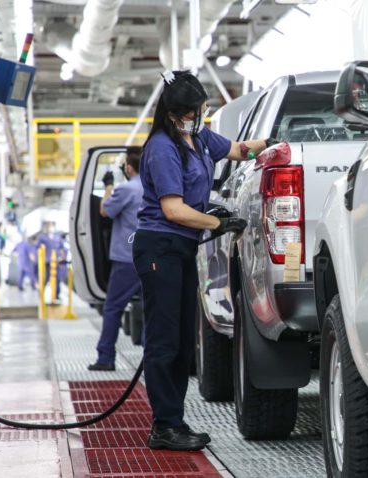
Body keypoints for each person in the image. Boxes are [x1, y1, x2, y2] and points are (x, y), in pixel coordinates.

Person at [133, 69, 274, 451]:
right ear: (178, 112)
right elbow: (174, 210)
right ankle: (165, 426)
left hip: (179, 249)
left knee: (180, 340)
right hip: (160, 248)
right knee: (165, 342)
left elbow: (237, 150)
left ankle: (172, 421)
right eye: (199, 109)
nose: (204, 113)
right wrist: (219, 221)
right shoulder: (163, 147)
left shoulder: (196, 136)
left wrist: (273, 143)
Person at [89, 147, 145, 372]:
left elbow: (105, 211)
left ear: (129, 168)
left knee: (113, 308)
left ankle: (106, 357)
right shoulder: (157, 187)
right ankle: (151, 358)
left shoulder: (126, 189)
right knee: (152, 307)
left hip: (126, 259)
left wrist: (108, 186)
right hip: (152, 257)